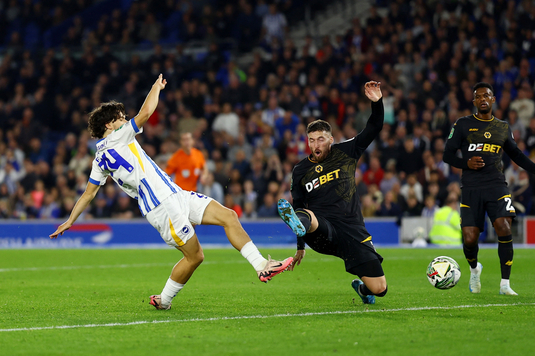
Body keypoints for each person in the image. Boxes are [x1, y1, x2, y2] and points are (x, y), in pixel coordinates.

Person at [49, 75, 293, 310]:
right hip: (161, 206)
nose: (125, 121)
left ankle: (262, 265)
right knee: (195, 256)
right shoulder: (119, 137)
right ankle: (164, 299)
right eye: (121, 118)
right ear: (109, 125)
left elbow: (88, 194)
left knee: (228, 216)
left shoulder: (99, 160)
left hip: (175, 194)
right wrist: (156, 87)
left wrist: (70, 220)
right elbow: (145, 113)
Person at [277, 81, 387, 305]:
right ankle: (301, 226)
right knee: (306, 215)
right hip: (321, 231)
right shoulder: (300, 170)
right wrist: (300, 246)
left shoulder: (346, 152)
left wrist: (377, 103)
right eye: (311, 140)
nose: (315, 144)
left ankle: (364, 290)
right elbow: (298, 206)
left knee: (380, 288)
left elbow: (373, 128)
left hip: (352, 229)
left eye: (320, 139)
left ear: (330, 140)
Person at [443, 82, 535, 296]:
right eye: (478, 96)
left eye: (486, 95)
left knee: (504, 227)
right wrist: (465, 164)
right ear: (474, 101)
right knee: (469, 238)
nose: (483, 99)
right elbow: (447, 156)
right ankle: (475, 268)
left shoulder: (503, 127)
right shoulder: (463, 125)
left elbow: (518, 156)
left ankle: (505, 284)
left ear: (493, 99)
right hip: (471, 187)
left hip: (496, 185)